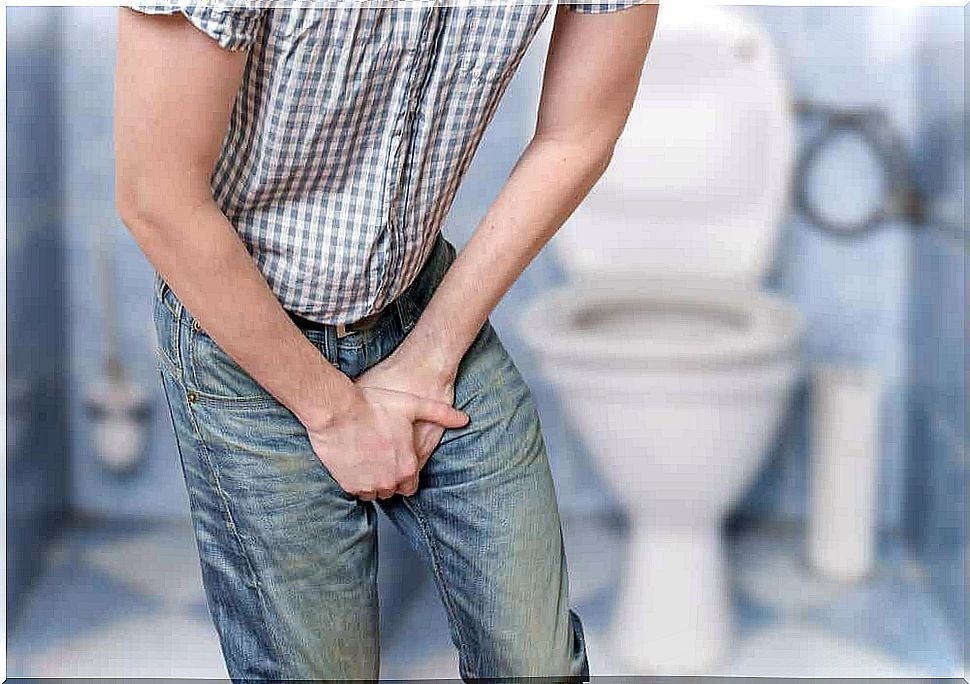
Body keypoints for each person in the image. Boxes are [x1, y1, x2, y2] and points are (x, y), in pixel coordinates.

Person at [114, 2, 657, 680]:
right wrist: (334, 414)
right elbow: (155, 196)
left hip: (421, 304)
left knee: (535, 665)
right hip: (246, 335)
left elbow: (579, 132)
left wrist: (432, 354)